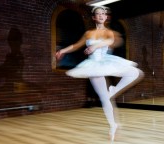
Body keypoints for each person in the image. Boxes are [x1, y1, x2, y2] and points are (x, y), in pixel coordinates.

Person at [56, 6, 144, 142]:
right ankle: (113, 125)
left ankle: (114, 90)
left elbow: (109, 41)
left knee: (135, 72)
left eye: (104, 13)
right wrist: (62, 51)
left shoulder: (109, 32)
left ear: (106, 17)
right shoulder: (88, 33)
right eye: (98, 14)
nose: (102, 15)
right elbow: (76, 45)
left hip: (107, 61)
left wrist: (95, 46)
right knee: (105, 98)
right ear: (94, 17)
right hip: (93, 65)